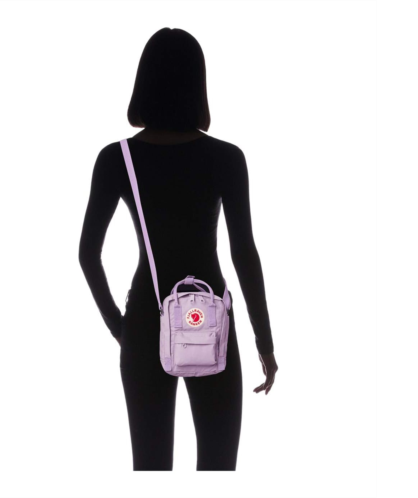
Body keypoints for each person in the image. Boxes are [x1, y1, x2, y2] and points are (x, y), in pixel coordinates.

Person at [79, 27, 278, 471]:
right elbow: (244, 254)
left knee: (150, 469)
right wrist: (265, 342)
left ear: (143, 82)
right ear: (197, 84)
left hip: (145, 323)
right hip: (213, 321)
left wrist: (122, 329)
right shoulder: (227, 158)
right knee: (218, 469)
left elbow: (87, 254)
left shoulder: (116, 158)